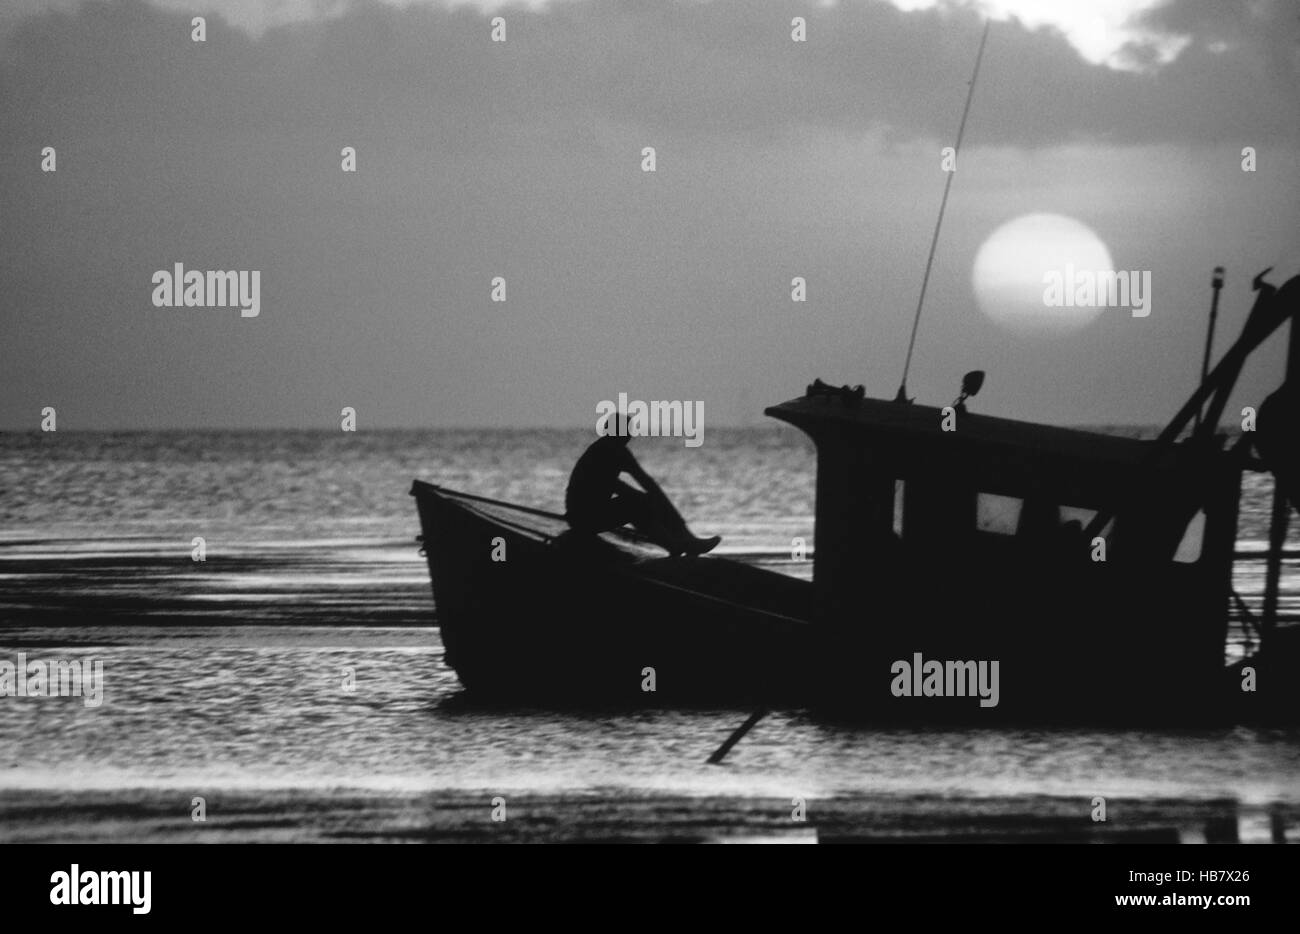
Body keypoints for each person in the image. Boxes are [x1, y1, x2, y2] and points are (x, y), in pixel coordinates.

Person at [565, 425, 721, 557]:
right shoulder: (607, 452)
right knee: (638, 504)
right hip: (583, 518)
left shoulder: (610, 449)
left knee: (644, 501)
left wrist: (656, 502)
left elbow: (637, 484)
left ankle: (684, 541)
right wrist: (653, 502)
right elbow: (633, 485)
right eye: (627, 430)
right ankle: (677, 544)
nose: (630, 435)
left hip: (585, 515)